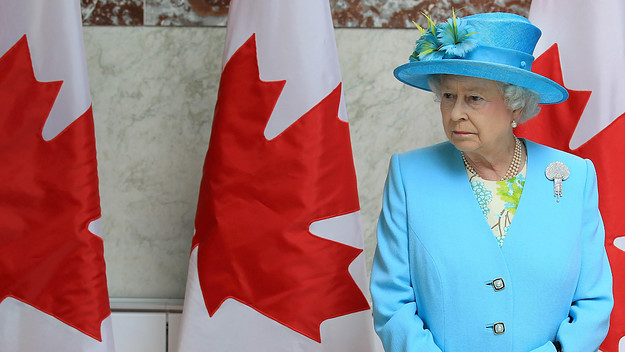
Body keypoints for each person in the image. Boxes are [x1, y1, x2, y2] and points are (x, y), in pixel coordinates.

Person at [369, 12, 613, 352]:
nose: (455, 114)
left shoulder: (573, 176)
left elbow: (594, 301)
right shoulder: (409, 175)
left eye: (474, 98)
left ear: (515, 105)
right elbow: (392, 303)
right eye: (449, 96)